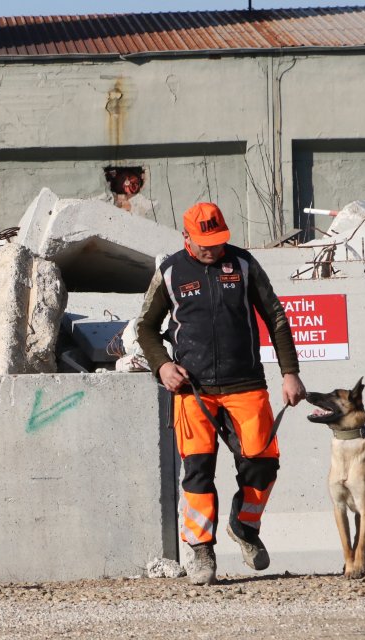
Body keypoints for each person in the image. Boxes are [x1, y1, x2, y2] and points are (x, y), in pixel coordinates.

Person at [136, 203, 306, 586]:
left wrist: (290, 373)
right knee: (197, 471)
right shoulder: (170, 272)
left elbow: (275, 317)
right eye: (203, 243)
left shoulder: (244, 266)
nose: (212, 249)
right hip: (192, 391)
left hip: (246, 385)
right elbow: (145, 327)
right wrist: (162, 365)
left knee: (262, 464)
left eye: (217, 241)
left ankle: (244, 526)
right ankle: (201, 552)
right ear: (186, 238)